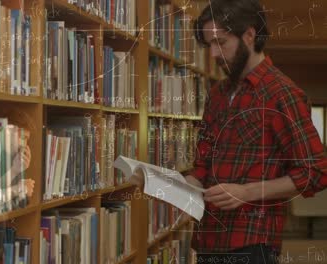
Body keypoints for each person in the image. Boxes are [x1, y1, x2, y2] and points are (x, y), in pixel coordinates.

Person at [131, 0, 327, 263]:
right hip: (207, 239)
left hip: (252, 243)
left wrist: (248, 192)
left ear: (249, 35)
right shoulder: (217, 94)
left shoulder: (282, 94)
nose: (213, 54)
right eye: (209, 45)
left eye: (221, 43)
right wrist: (169, 186)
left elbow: (315, 171)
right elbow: (202, 166)